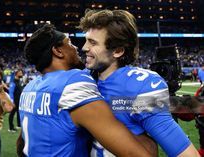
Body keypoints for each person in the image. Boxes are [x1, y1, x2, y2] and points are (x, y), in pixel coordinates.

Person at [17, 23, 152, 157]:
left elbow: (21, 147)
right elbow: (135, 154)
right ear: (57, 51)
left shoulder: (29, 88)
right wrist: (153, 119)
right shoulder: (73, 81)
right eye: (69, 43)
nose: (77, 48)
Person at [79, 9, 200, 157]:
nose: (84, 47)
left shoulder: (140, 87)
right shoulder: (80, 80)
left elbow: (186, 154)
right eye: (86, 40)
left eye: (92, 42)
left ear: (118, 51)